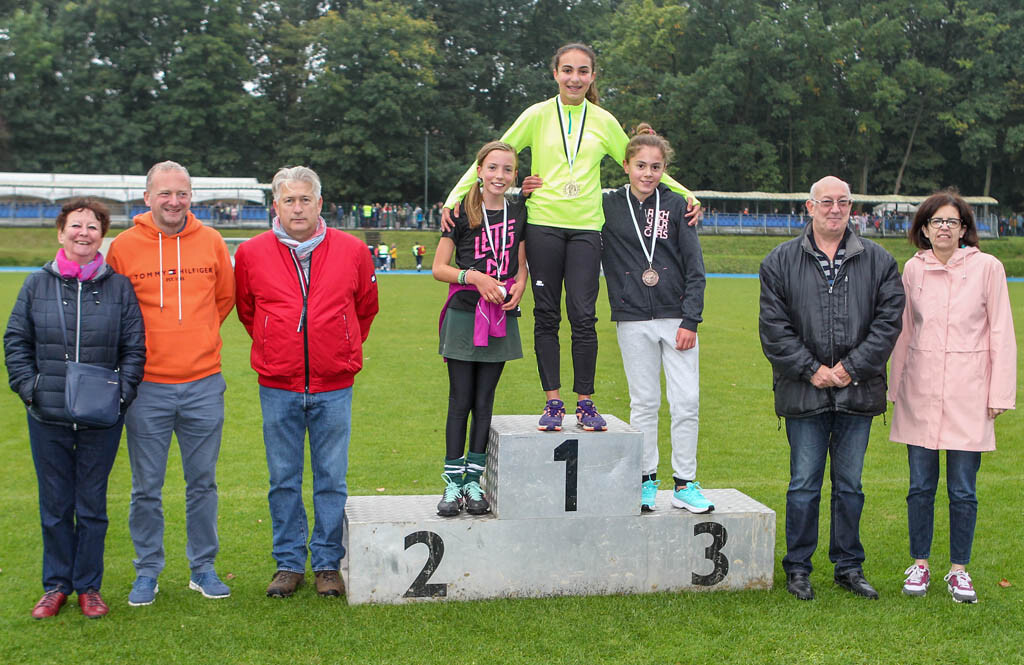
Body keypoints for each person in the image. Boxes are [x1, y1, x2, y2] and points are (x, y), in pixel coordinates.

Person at [442, 43, 701, 433]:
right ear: (555, 74)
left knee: (583, 315)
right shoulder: (536, 115)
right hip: (543, 225)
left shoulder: (603, 120)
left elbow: (642, 164)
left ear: (592, 76)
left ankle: (585, 402)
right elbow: (492, 156)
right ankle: (553, 402)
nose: (574, 78)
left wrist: (686, 194)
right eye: (567, 70)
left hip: (586, 228)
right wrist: (454, 198)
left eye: (582, 71)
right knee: (546, 314)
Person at [759, 175, 904, 601]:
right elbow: (773, 329)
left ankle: (848, 567)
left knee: (850, 486)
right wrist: (813, 370)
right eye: (826, 202)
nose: (835, 209)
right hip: (804, 392)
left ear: (851, 207)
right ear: (810, 207)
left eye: (842, 202)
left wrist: (849, 369)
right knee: (804, 485)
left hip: (857, 392)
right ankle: (798, 568)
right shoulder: (779, 261)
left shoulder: (879, 260)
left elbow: (888, 324)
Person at [235, 166, 378, 598]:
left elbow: (365, 308)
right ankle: (289, 562)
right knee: (283, 478)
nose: (297, 208)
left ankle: (328, 563)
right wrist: (277, 344)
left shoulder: (353, 250)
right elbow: (248, 310)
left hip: (334, 384)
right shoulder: (251, 253)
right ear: (275, 206)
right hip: (278, 383)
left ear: (319, 204)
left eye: (305, 199)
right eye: (289, 200)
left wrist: (337, 345)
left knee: (331, 478)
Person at [5, 198, 146, 619]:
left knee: (91, 505)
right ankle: (56, 586)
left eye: (92, 227)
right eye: (76, 226)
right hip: (47, 415)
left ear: (103, 236)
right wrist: (30, 389)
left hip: (101, 417)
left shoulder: (119, 287)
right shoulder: (36, 284)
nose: (83, 233)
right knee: (55, 505)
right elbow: (16, 341)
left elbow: (134, 348)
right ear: (61, 232)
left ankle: (88, 586)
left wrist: (120, 395)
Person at [107, 161, 236, 606]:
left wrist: (197, 339)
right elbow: (115, 310)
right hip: (146, 388)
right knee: (146, 487)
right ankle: (147, 571)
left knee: (203, 483)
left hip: (204, 384)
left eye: (181, 193)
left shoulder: (212, 241)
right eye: (164, 193)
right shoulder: (123, 247)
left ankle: (203, 567)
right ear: (148, 197)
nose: (174, 201)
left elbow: (224, 298)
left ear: (190, 196)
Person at [888, 190, 1016, 604]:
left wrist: (1000, 392)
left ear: (964, 229)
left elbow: (1001, 331)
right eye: (936, 221)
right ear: (924, 229)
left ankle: (959, 570)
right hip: (921, 390)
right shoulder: (913, 270)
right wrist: (895, 386)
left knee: (962, 489)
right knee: (920, 486)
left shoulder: (988, 268)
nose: (944, 228)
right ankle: (920, 564)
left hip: (968, 392)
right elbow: (904, 332)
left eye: (952, 221)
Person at [601, 125, 711, 514]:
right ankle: (645, 480)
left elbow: (695, 267)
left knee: (686, 402)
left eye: (656, 167)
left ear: (665, 169)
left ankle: (685, 483)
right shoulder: (607, 205)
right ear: (626, 165)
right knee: (644, 403)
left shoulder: (678, 206)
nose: (647, 173)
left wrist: (691, 319)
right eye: (641, 165)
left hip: (677, 318)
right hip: (632, 318)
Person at [433, 141, 528, 516]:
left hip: (501, 314)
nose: (499, 176)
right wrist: (472, 276)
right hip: (464, 313)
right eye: (492, 168)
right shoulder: (459, 212)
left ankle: (474, 483)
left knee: (485, 402)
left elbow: (521, 262)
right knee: (461, 401)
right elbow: (439, 268)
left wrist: (520, 285)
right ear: (479, 171)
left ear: (514, 175)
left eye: (507, 169)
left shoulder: (519, 211)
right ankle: (452, 485)